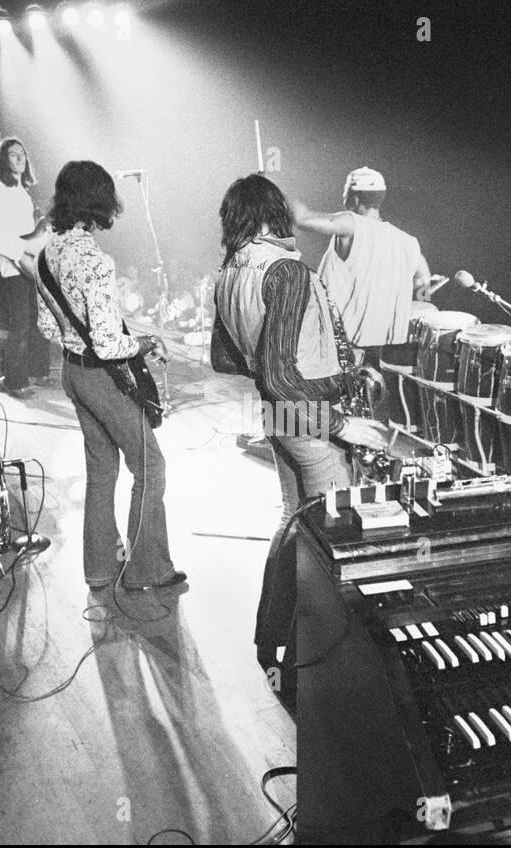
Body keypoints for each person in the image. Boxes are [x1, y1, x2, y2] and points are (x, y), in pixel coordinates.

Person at [212, 173, 391, 675]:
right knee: (329, 545)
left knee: (293, 525)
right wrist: (340, 423)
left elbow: (226, 359)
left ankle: (272, 642)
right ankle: (320, 666)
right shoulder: (286, 270)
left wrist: (331, 368)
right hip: (309, 422)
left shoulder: (230, 268)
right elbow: (279, 371)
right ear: (273, 215)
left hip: (277, 414)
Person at [29, 160, 184, 591]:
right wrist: (147, 343)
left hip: (72, 374)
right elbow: (109, 344)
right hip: (102, 378)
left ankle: (99, 569)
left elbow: (46, 327)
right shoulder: (96, 260)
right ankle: (147, 569)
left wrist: (77, 329)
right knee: (151, 466)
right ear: (99, 201)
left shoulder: (47, 253)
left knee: (101, 471)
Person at [291, 166, 432, 367]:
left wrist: (274, 187)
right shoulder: (408, 242)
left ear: (354, 199)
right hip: (378, 350)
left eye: (344, 193)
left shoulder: (352, 223)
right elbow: (424, 281)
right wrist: (418, 302)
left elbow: (302, 219)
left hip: (336, 346)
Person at [0, 137, 51, 398]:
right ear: (3, 159)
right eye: (13, 155)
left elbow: (31, 230)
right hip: (14, 264)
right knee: (20, 324)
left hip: (32, 260)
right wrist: (18, 253)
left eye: (22, 154)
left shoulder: (25, 189)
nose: (20, 158)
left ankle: (39, 370)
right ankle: (15, 381)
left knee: (40, 320)